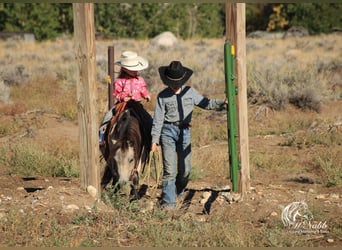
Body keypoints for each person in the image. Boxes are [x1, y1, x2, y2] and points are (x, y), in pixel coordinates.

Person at [151, 61, 227, 209]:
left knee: (185, 169)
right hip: (167, 132)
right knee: (169, 170)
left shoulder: (190, 92)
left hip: (184, 132)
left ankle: (177, 192)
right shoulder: (162, 96)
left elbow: (206, 103)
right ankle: (168, 203)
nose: (174, 85)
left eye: (177, 82)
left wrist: (222, 102)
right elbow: (158, 119)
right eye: (171, 82)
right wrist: (154, 140)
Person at [99, 51, 151, 146]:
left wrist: (146, 95)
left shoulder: (140, 80)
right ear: (124, 69)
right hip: (122, 105)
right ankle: (101, 137)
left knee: (148, 119)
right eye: (132, 69)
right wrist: (124, 97)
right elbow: (116, 94)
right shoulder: (119, 81)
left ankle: (150, 140)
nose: (135, 71)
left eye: (135, 69)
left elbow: (143, 89)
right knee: (108, 116)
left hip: (136, 104)